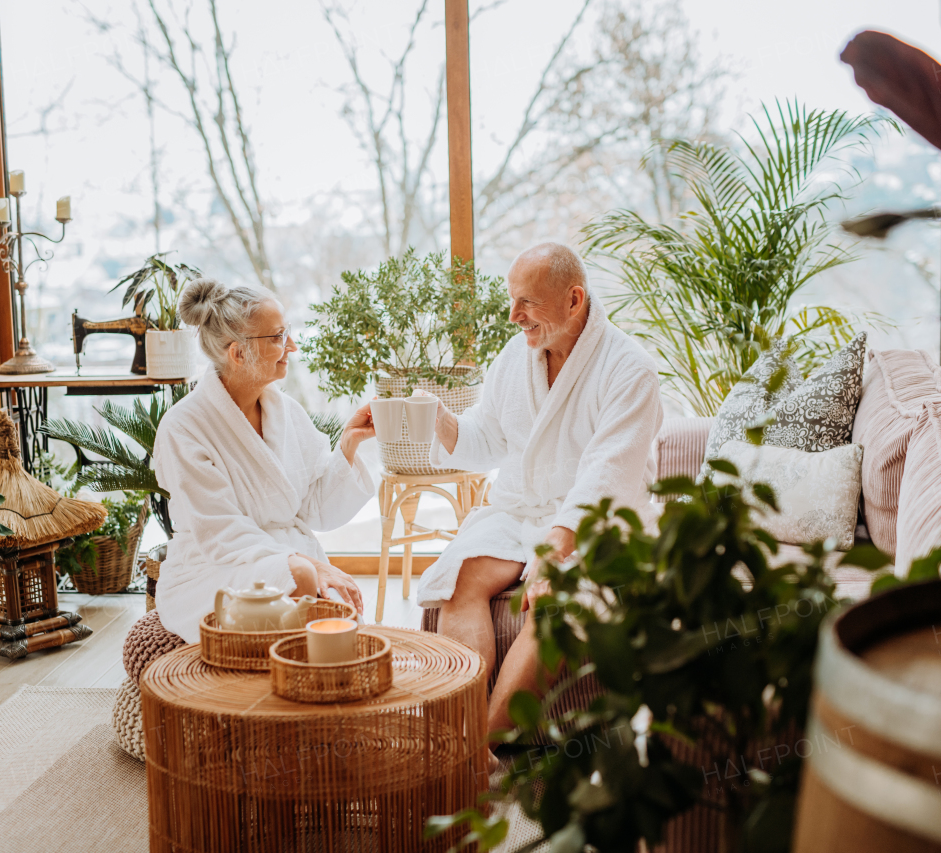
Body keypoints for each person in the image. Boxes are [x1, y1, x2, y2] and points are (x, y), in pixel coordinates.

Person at [417, 242, 663, 733]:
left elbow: (605, 478)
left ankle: (479, 749)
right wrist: (438, 419)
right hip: (520, 510)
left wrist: (553, 555)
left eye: (526, 302)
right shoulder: (516, 357)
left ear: (574, 299)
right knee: (460, 579)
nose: (513, 316)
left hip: (594, 523)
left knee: (551, 602)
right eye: (513, 300)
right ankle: (462, 734)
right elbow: (487, 438)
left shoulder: (629, 369)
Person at [152, 278, 374, 644]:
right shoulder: (184, 427)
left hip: (287, 556)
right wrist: (309, 567)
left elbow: (317, 511)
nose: (292, 346)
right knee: (302, 579)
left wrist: (349, 443)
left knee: (341, 625)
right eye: (277, 337)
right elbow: (220, 533)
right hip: (214, 569)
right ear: (237, 353)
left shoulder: (285, 411)